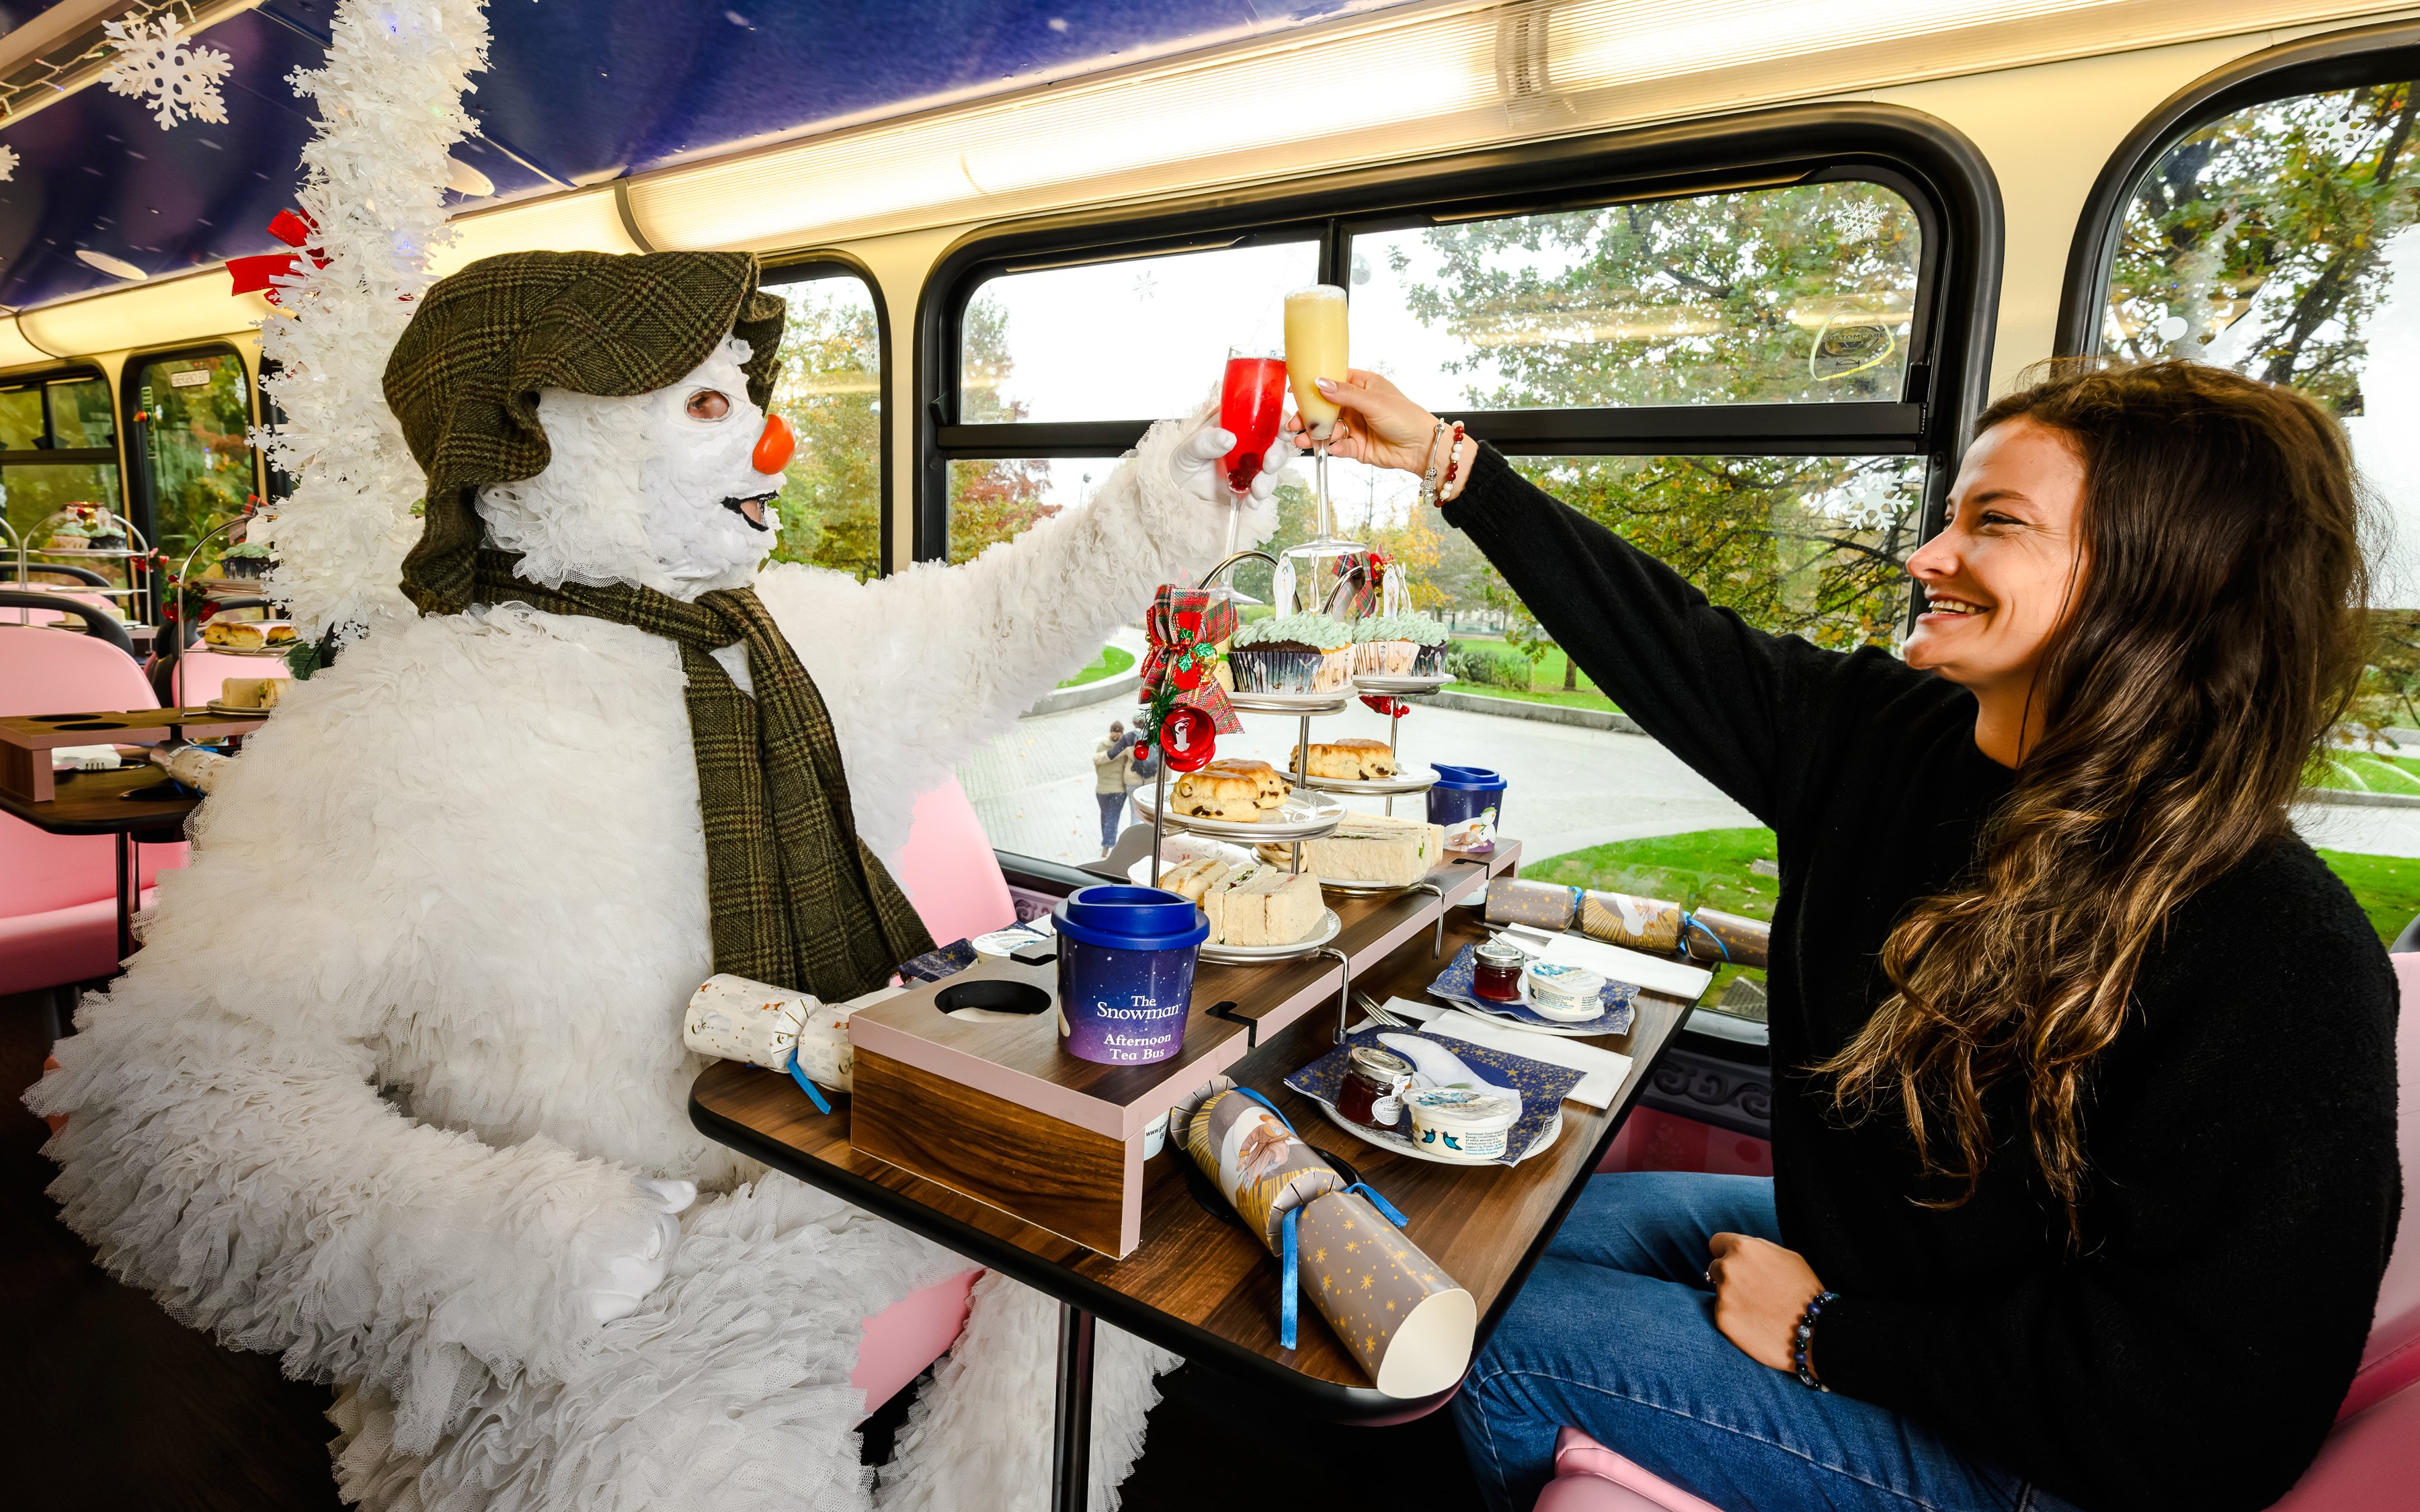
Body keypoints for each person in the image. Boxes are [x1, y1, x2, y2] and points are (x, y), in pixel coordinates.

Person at [1303, 362, 2402, 1512]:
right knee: (1481, 1237)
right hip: (1924, 1289)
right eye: (1949, 515)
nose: (1927, 558)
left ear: (2165, 584)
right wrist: (1447, 461)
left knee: (1484, 1330)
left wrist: (1833, 1336)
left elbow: (2212, 1414)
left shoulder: (2279, 950)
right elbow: (1669, 638)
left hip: (2034, 1460)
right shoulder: (1900, 743)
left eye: (1996, 525)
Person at [1094, 719, 1137, 851]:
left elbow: (1097, 765)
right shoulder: (1124, 748)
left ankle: (1106, 841)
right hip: (1118, 789)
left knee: (1105, 815)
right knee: (1113, 817)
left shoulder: (1102, 746)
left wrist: (1102, 778)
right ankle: (1108, 844)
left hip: (1102, 789)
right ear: (1122, 733)